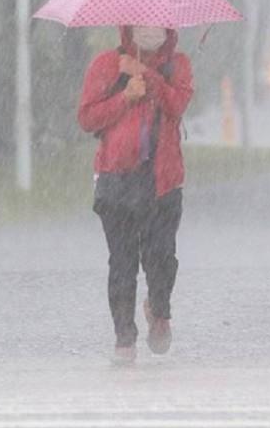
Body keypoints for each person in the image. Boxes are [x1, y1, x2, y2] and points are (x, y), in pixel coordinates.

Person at [77, 25, 194, 365]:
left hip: (164, 181)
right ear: (127, 26)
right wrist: (124, 97)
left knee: (161, 257)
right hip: (118, 181)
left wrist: (147, 75)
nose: (149, 31)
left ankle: (159, 310)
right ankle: (123, 337)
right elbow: (87, 117)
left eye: (157, 25)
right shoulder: (105, 65)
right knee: (122, 262)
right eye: (141, 24)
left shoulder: (178, 66)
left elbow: (176, 105)